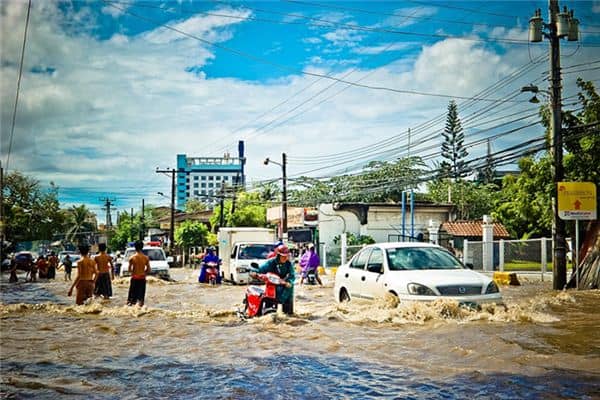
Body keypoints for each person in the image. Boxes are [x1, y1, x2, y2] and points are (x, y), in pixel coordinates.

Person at [250, 244, 295, 315]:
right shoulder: (271, 262)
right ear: (278, 255)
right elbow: (261, 269)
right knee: (269, 302)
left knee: (289, 312)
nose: (285, 258)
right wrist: (254, 272)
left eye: (286, 256)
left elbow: (292, 275)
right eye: (283, 256)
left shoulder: (289, 264)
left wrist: (289, 282)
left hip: (285, 285)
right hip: (273, 284)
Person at [127, 240, 151, 307]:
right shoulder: (146, 258)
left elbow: (129, 270)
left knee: (131, 300)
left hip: (134, 278)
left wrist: (134, 273)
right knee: (141, 299)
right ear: (142, 247)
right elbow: (149, 270)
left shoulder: (132, 258)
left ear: (135, 247)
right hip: (142, 278)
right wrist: (143, 273)